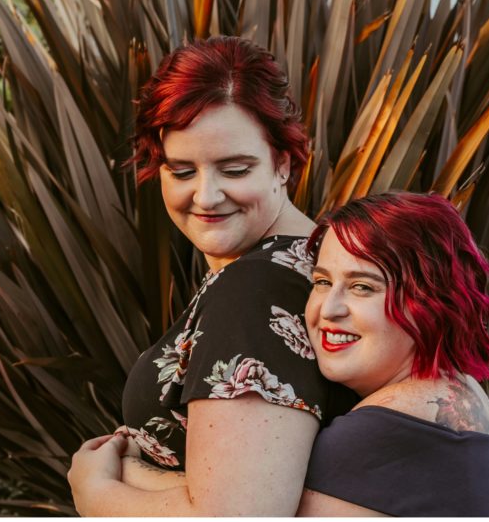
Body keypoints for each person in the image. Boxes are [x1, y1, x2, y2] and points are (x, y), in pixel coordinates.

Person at [67, 36, 353, 516]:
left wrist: (98, 494)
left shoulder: (258, 289)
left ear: (283, 163)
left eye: (235, 169)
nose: (206, 196)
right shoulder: (312, 260)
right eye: (181, 172)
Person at [298, 191, 489, 516]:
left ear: (428, 301)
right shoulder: (475, 400)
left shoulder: (376, 433)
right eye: (322, 281)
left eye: (362, 287)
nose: (329, 308)